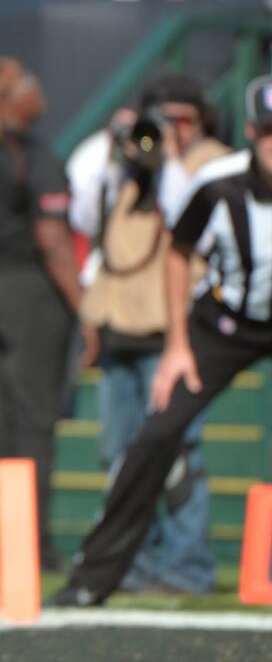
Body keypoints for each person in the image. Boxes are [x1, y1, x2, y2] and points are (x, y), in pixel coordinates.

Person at [49, 75, 272, 606]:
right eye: (269, 135)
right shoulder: (221, 182)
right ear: (250, 133)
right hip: (225, 322)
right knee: (156, 434)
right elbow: (177, 250)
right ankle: (92, 579)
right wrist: (177, 345)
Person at [73, 75, 229, 594]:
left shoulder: (211, 164)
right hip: (120, 328)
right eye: (165, 119)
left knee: (179, 454)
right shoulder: (123, 168)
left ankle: (185, 566)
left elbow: (195, 219)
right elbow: (85, 218)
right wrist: (117, 152)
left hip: (173, 331)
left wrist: (170, 159)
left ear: (203, 121)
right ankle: (133, 562)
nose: (172, 130)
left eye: (185, 120)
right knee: (120, 454)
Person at [0, 57, 91, 573]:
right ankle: (32, 549)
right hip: (28, 296)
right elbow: (54, 243)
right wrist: (87, 311)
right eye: (31, 83)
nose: (40, 89)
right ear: (12, 101)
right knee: (35, 424)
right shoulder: (33, 159)